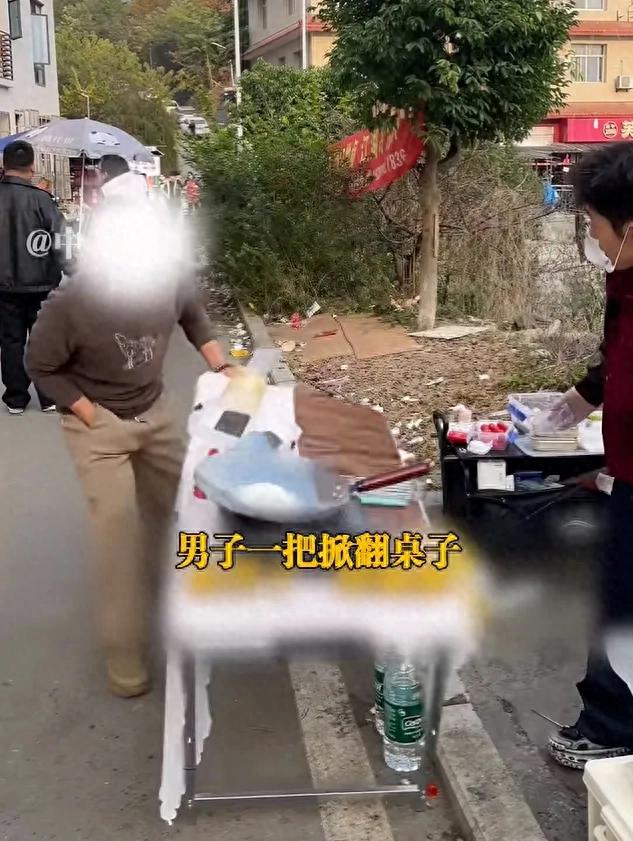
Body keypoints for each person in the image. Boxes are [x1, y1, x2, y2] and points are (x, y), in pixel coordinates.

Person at [26, 191, 240, 699]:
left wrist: (220, 364)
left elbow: (192, 316)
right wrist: (89, 414)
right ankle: (125, 657)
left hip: (157, 412)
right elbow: (40, 365)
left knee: (179, 513)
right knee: (117, 536)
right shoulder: (73, 302)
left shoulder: (168, 275)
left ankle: (174, 609)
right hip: (98, 427)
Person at [534, 142, 633, 768]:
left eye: (595, 222)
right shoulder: (624, 281)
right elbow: (612, 357)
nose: (591, 236)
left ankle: (610, 727)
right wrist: (575, 404)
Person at [0, 140, 65, 415]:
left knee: (10, 340)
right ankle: (48, 397)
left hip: (3, 286)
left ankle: (16, 398)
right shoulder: (43, 201)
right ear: (32, 166)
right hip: (41, 283)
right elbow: (61, 240)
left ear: (4, 165)